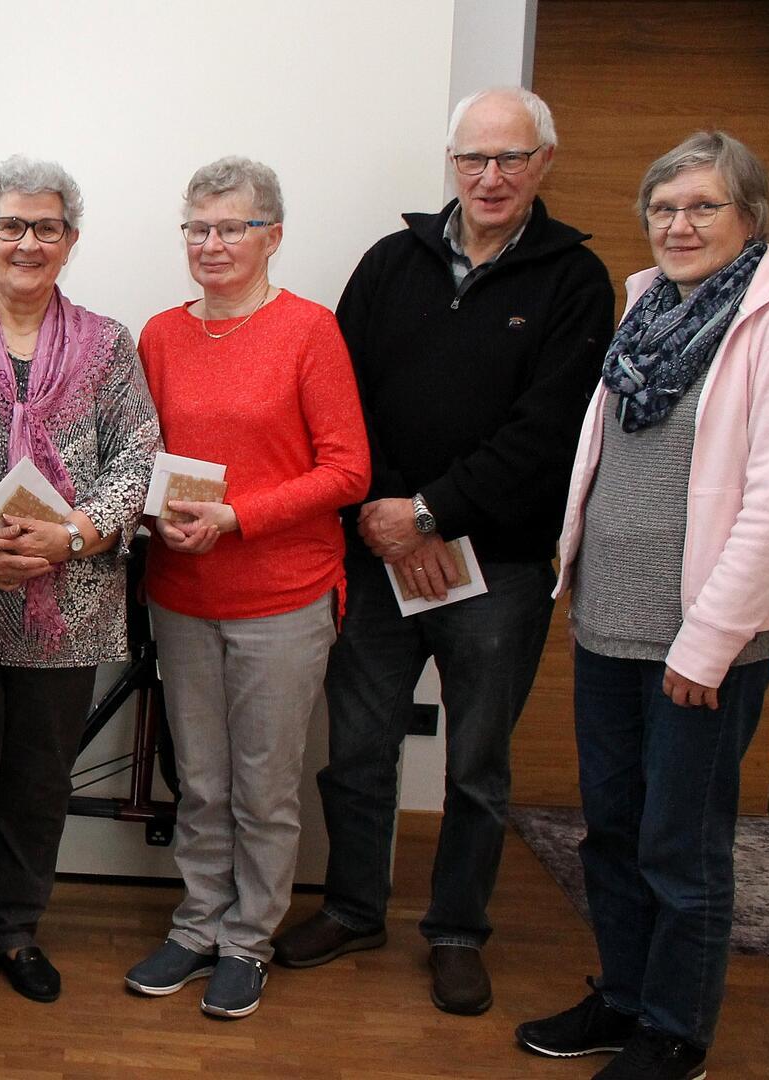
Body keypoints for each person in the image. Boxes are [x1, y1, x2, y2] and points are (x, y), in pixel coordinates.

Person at [274, 87, 616, 1016]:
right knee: (358, 750)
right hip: (380, 555)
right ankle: (352, 908)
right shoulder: (392, 262)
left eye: (510, 159)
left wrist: (432, 513)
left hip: (498, 565)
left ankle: (458, 931)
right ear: (452, 163)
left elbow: (548, 432)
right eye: (474, 159)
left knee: (476, 765)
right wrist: (390, 517)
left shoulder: (576, 280)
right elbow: (338, 400)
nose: (490, 177)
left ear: (544, 162)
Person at [518, 131, 769, 1080]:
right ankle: (623, 996)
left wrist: (711, 643)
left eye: (701, 207)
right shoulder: (646, 305)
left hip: (705, 642)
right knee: (610, 829)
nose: (677, 225)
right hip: (609, 620)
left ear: (750, 218)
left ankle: (675, 1031)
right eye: (663, 208)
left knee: (680, 849)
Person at [0, 155, 157, 1021]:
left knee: (39, 784)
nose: (27, 242)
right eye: (11, 224)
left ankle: (14, 929)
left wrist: (73, 535)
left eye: (47, 227)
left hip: (68, 608)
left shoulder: (109, 344)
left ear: (71, 242)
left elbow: (138, 459)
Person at [120, 157, 370, 1020]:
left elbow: (349, 469)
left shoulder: (310, 331)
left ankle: (247, 938)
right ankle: (195, 925)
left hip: (283, 596)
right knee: (200, 778)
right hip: (181, 590)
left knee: (265, 785)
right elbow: (142, 461)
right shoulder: (159, 333)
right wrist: (157, 520)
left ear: (273, 235)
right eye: (198, 227)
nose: (212, 243)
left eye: (232, 227)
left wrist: (237, 516)